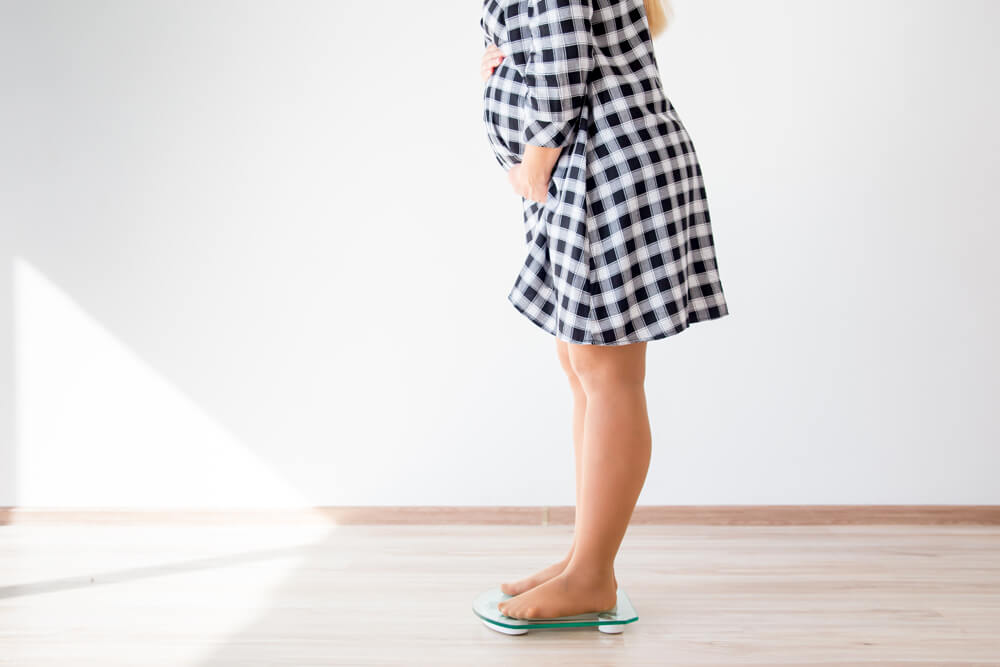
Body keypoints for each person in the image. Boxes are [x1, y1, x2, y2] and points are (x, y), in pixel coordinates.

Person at [480, 0, 729, 620]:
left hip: (600, 166)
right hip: (594, 165)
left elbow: (564, 52)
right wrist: (504, 69)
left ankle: (591, 576)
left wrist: (536, 153)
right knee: (583, 369)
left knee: (606, 374)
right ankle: (585, 560)